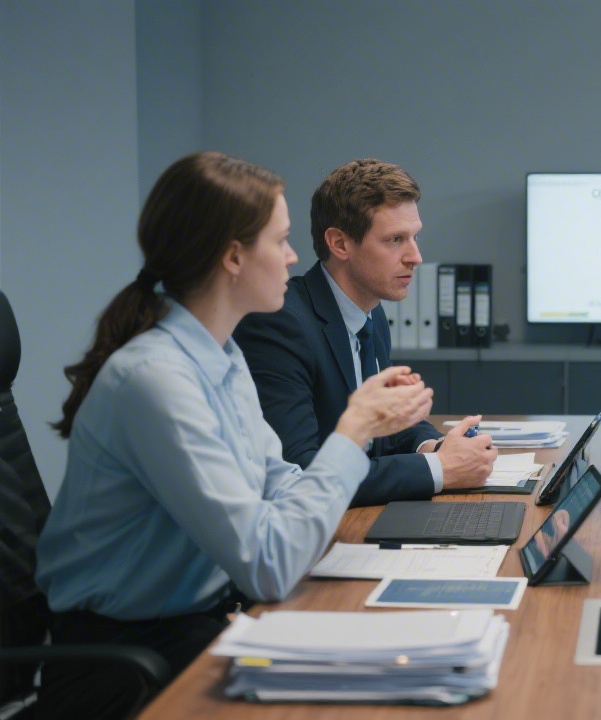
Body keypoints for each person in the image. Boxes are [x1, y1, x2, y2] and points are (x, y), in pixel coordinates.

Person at [35, 152, 433, 719]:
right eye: (283, 240)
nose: (295, 257)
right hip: (125, 663)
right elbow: (267, 566)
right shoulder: (155, 380)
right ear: (233, 257)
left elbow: (280, 483)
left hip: (195, 621)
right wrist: (352, 430)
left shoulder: (221, 356)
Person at [234, 159, 495, 506]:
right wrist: (439, 468)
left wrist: (436, 446)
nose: (415, 256)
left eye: (415, 237)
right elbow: (302, 470)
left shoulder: (370, 313)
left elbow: (378, 434)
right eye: (395, 240)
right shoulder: (280, 324)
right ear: (340, 243)